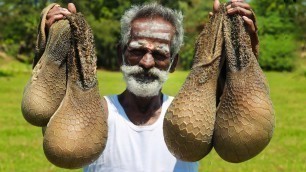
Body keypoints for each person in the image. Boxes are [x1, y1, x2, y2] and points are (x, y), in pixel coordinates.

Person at [44, 0, 257, 171]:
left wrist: (246, 45)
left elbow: (239, 121)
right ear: (121, 54)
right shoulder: (96, 114)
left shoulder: (195, 117)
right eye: (137, 50)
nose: (147, 63)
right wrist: (49, 44)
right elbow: (52, 127)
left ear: (173, 63)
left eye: (159, 54)